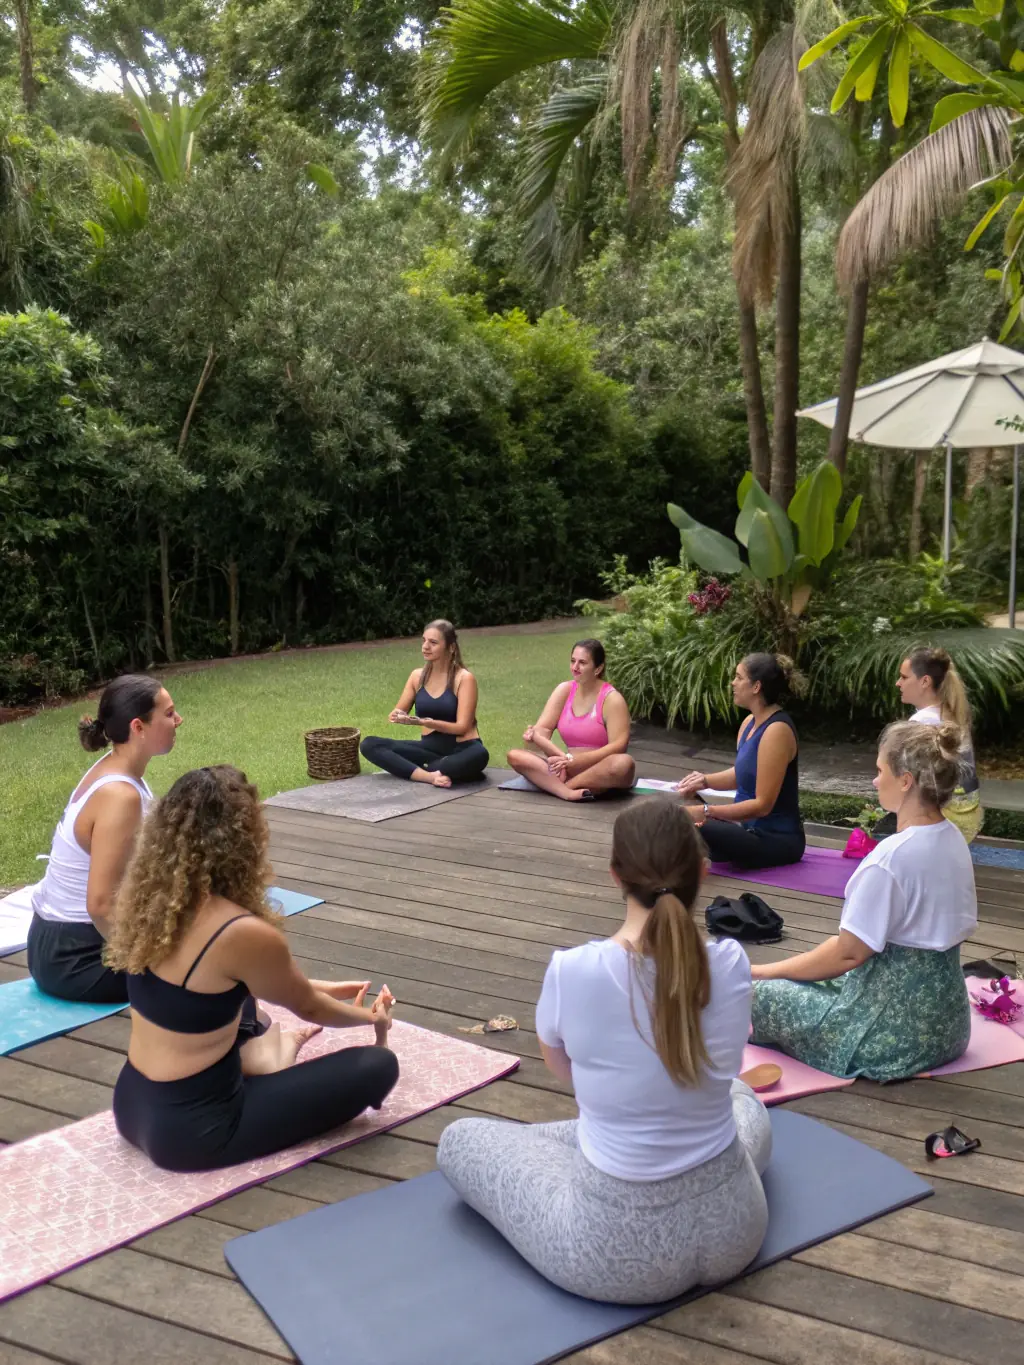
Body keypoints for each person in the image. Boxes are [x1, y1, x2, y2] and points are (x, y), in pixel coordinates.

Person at [437, 798, 771, 1305]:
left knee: (459, 1139)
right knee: (740, 1097)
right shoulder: (730, 961)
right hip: (736, 1226)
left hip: (615, 1252)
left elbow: (564, 1071)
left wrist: (629, 1096)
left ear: (616, 875)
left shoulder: (574, 971)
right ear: (702, 871)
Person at [106, 765, 399, 1173]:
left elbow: (206, 990)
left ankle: (270, 1053)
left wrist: (324, 989)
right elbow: (309, 1008)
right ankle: (273, 1053)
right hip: (196, 1131)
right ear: (243, 838)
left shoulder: (148, 902)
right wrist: (372, 1019)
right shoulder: (240, 931)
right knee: (377, 1066)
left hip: (131, 1102)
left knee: (237, 1002)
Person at [749, 722, 976, 1081]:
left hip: (894, 1039)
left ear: (906, 781)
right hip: (948, 1028)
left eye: (879, 770)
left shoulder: (890, 860)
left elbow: (848, 954)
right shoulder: (953, 841)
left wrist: (760, 972)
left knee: (758, 996)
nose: (874, 781)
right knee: (807, 981)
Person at [27, 674, 182, 1004]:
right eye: (169, 714)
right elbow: (100, 905)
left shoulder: (114, 768)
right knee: (209, 962)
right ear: (138, 727)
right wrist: (145, 961)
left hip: (54, 943)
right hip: (76, 959)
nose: (178, 720)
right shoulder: (119, 796)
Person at [676, 654, 805, 868]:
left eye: (738, 677)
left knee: (681, 820)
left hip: (774, 840)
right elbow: (742, 774)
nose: (732, 683)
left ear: (756, 686)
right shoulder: (749, 723)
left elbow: (762, 806)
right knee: (676, 811)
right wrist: (705, 781)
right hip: (745, 830)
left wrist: (708, 811)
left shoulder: (777, 731)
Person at [359, 620, 489, 787]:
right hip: (429, 750)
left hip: (462, 749)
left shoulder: (464, 678)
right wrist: (398, 715)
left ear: (451, 647)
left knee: (480, 755)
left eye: (433, 642)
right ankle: (431, 776)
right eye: (424, 640)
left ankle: (427, 769)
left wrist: (425, 722)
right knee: (370, 744)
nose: (425, 646)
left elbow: (463, 727)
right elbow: (400, 710)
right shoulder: (417, 677)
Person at [505, 639, 635, 801]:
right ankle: (567, 792)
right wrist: (533, 739)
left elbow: (619, 746)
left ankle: (565, 787)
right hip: (565, 766)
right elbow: (542, 731)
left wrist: (577, 761)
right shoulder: (564, 690)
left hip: (599, 769)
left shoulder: (612, 699)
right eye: (573, 661)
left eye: (582, 663)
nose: (575, 667)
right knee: (515, 756)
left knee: (623, 764)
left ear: (598, 668)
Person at [897, 645, 984, 842]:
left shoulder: (922, 722)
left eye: (904, 677)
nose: (898, 683)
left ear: (925, 681)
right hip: (965, 819)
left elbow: (908, 782)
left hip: (940, 822)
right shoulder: (952, 714)